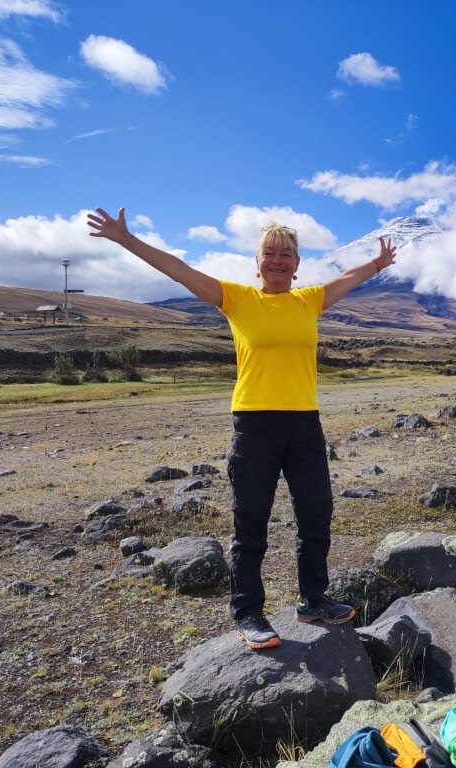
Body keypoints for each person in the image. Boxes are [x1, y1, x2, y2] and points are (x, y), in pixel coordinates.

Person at [87, 207, 396, 649]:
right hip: (254, 425)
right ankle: (248, 612)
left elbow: (349, 276)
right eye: (269, 253)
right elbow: (180, 270)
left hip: (305, 425)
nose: (277, 260)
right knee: (251, 523)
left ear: (297, 263)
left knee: (316, 514)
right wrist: (126, 240)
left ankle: (312, 600)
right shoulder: (236, 299)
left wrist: (378, 265)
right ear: (257, 262)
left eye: (285, 254)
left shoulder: (310, 300)